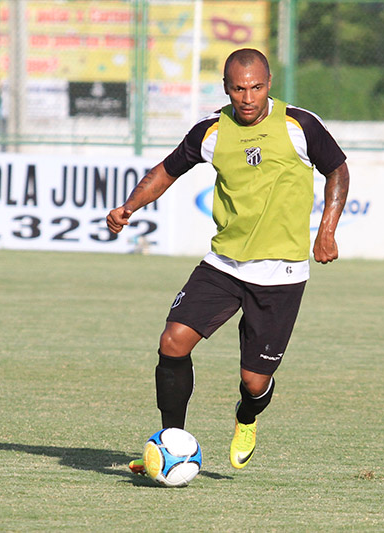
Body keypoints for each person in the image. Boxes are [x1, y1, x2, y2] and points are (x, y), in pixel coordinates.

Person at [107, 49, 349, 471]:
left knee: (255, 383)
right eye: (238, 88)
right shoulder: (212, 131)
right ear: (225, 88)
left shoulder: (300, 125)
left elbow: (338, 170)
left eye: (256, 87)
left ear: (269, 83)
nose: (248, 97)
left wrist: (326, 230)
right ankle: (171, 442)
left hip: (281, 273)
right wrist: (130, 207)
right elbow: (166, 170)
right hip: (223, 264)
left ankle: (247, 416)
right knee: (172, 342)